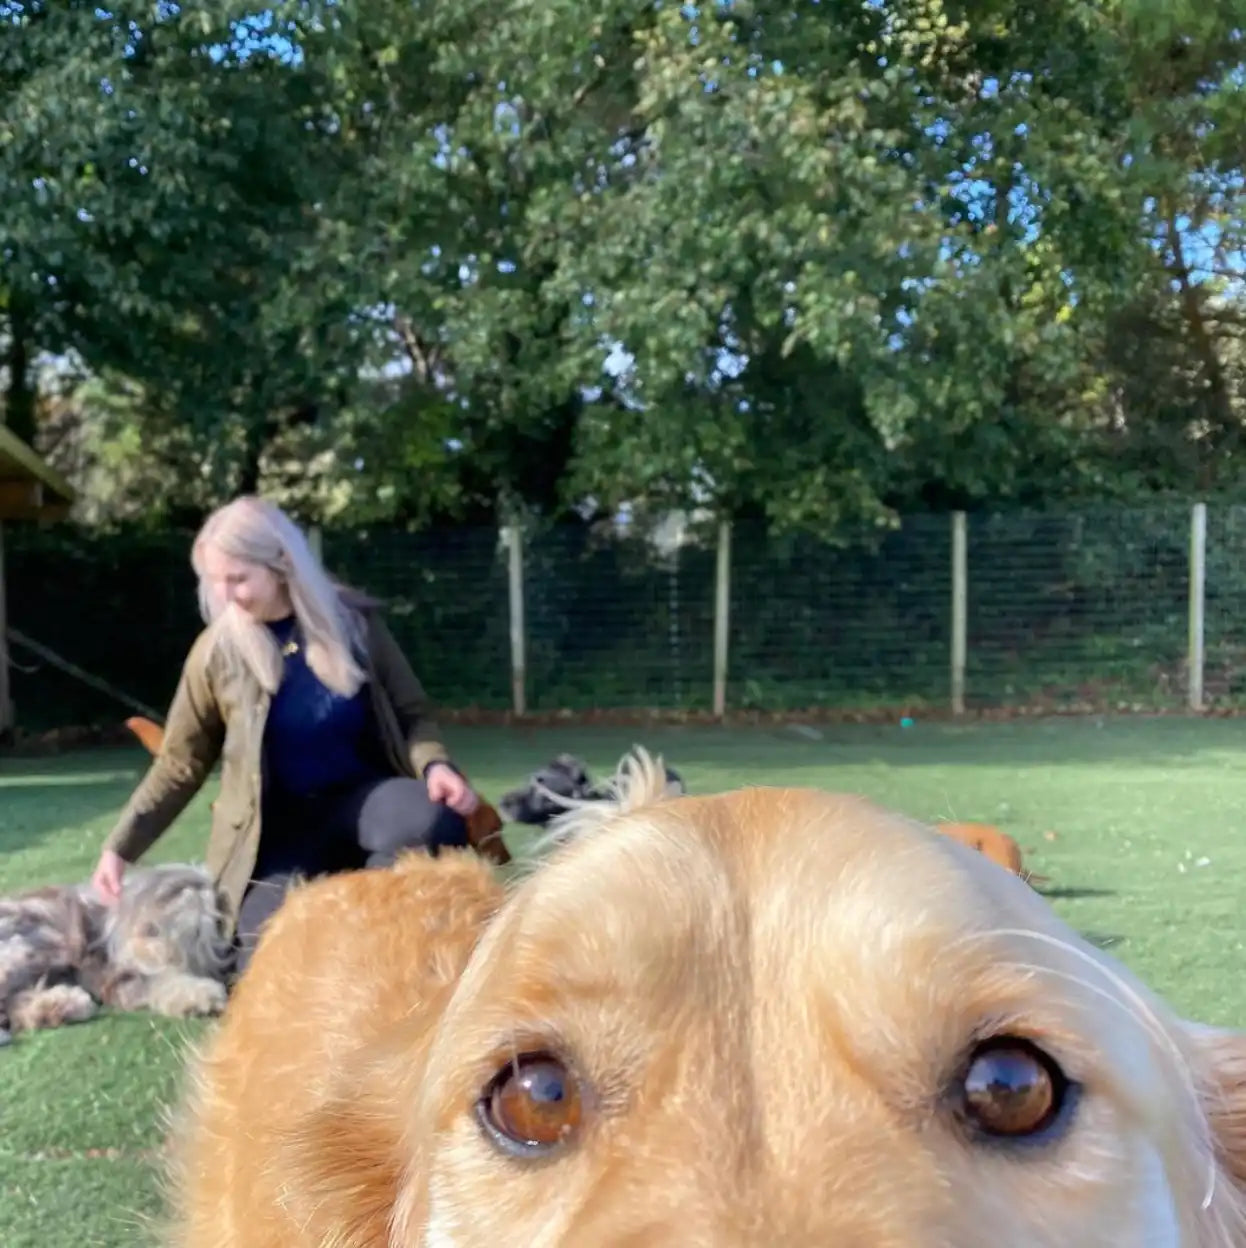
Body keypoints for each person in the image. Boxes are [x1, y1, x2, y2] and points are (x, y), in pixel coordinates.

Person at [91, 495, 484, 975]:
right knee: (267, 963)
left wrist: (435, 765)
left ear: (280, 565)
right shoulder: (215, 654)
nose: (226, 594)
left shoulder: (354, 624)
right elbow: (180, 763)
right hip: (275, 837)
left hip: (362, 803)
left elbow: (411, 713)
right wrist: (120, 848)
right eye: (215, 581)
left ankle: (383, 944)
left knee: (430, 819)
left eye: (238, 578)